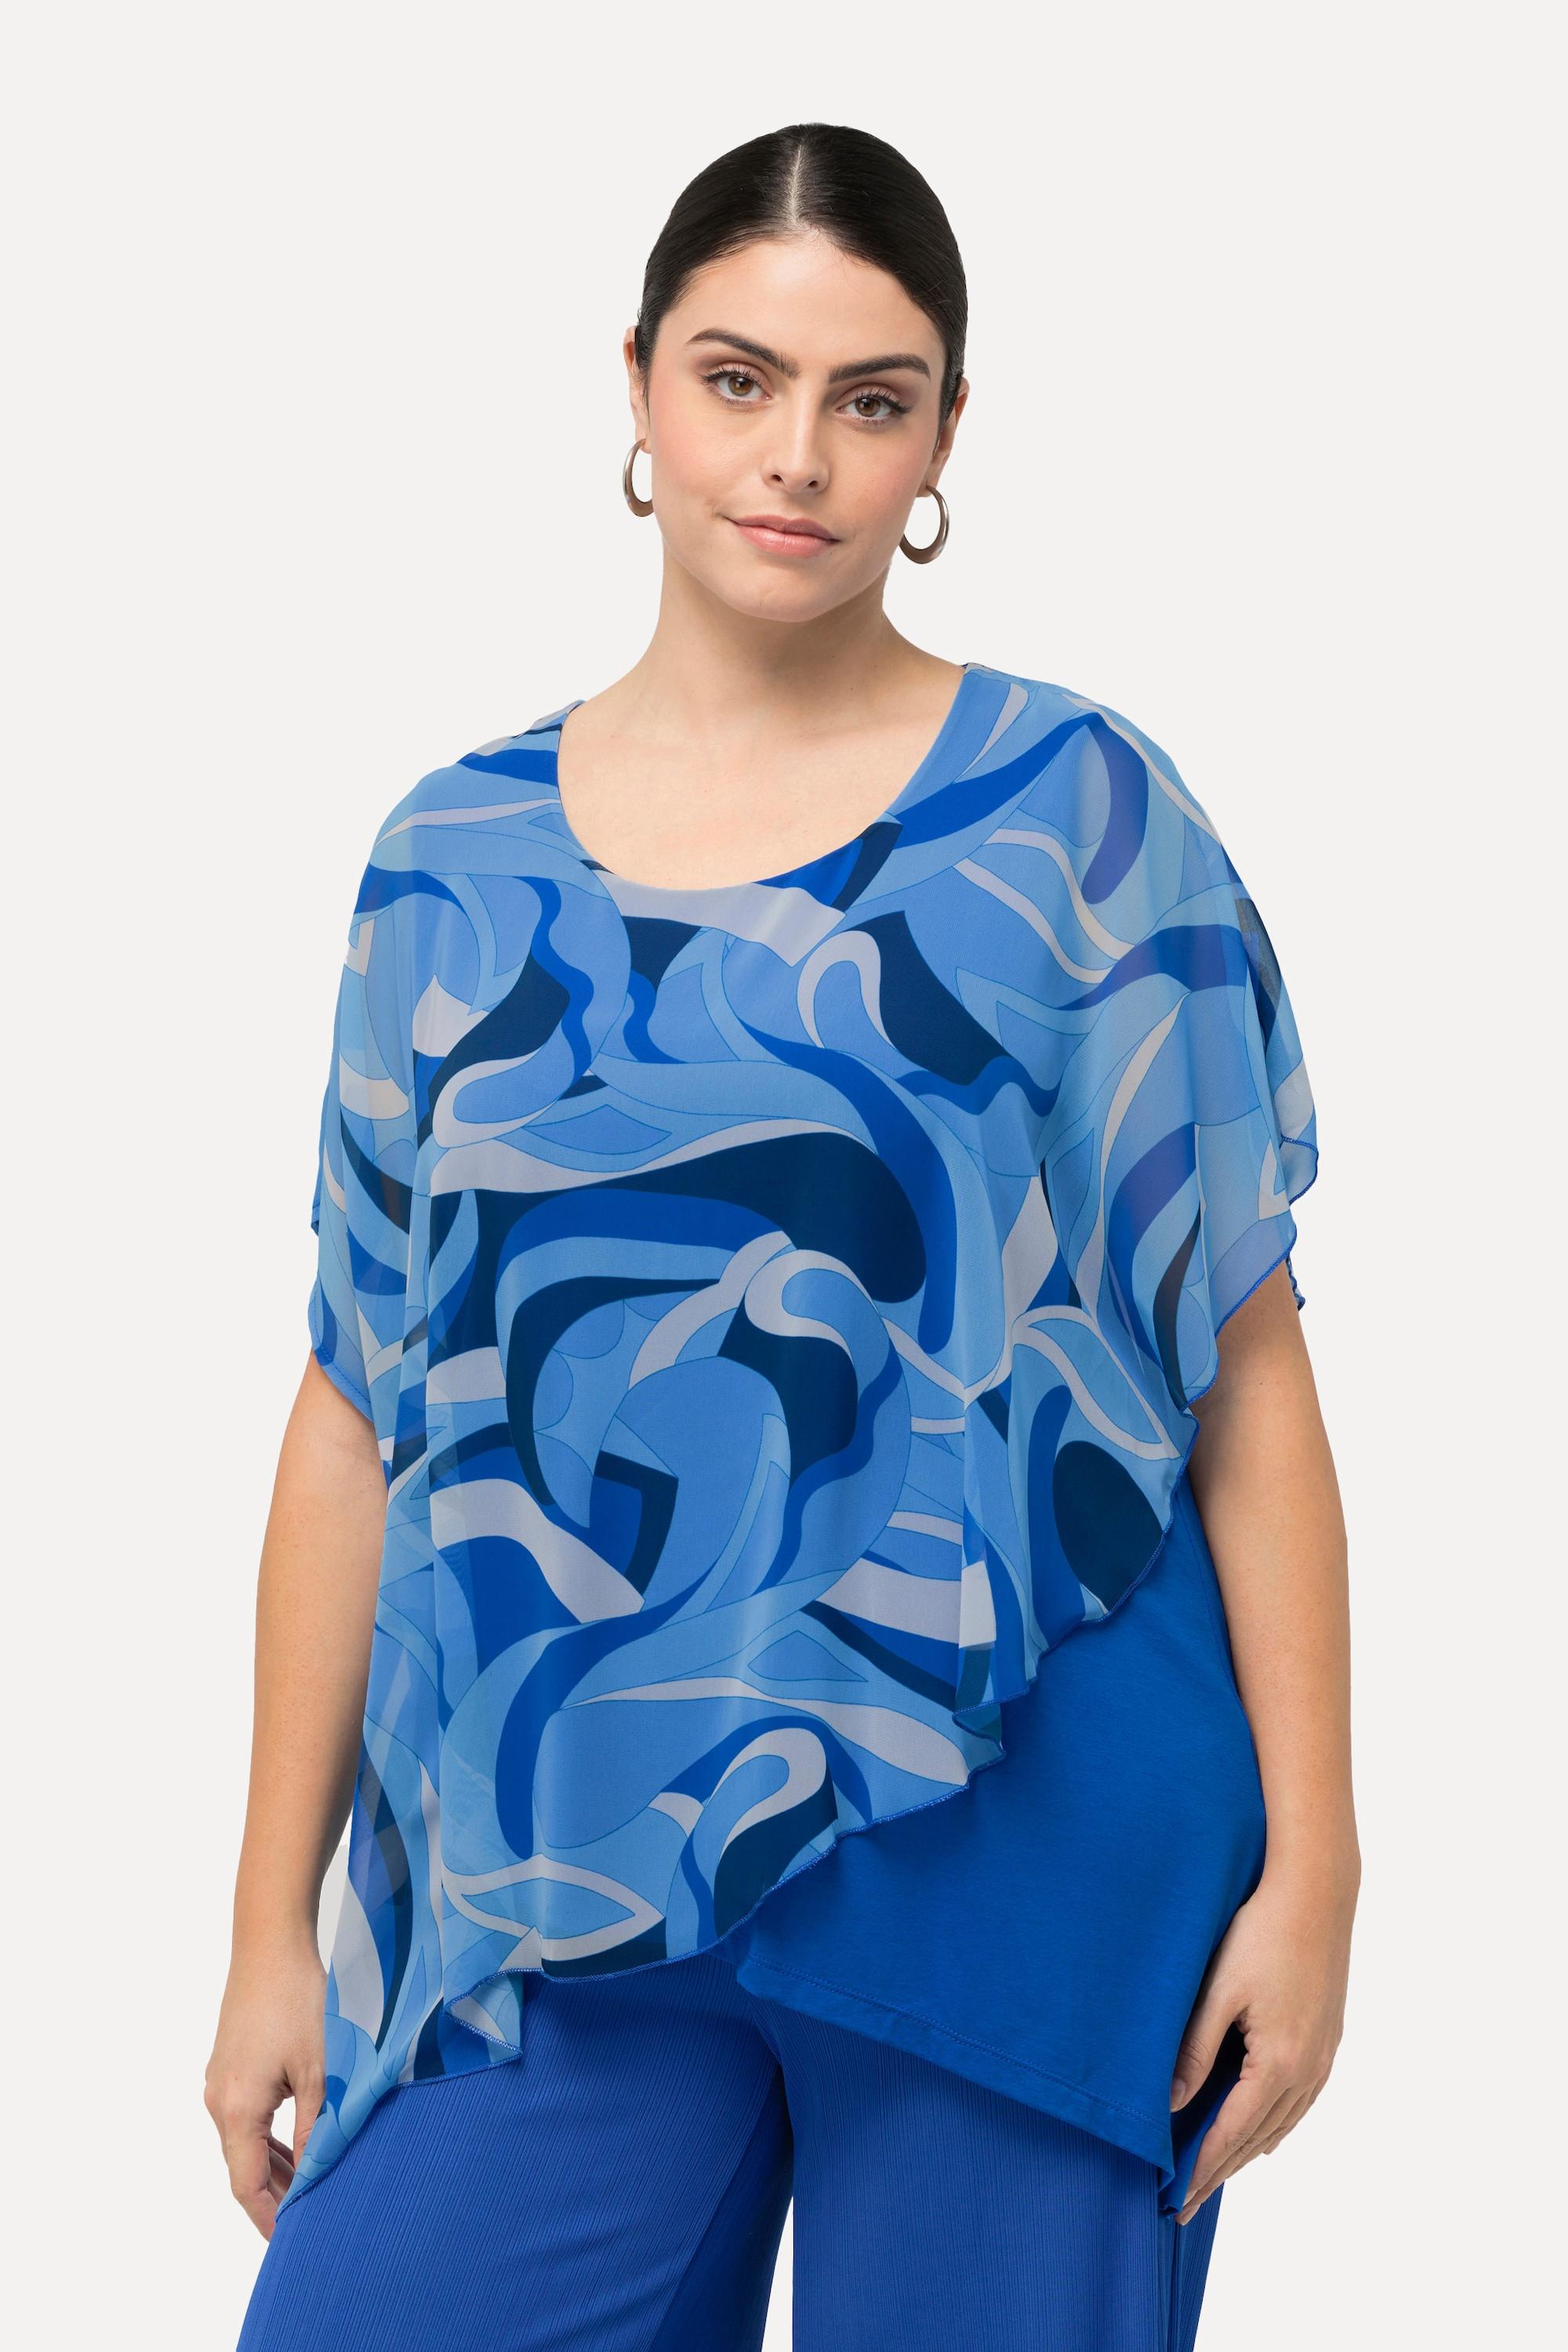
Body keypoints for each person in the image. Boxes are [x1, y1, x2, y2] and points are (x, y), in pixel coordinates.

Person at [208, 121, 1359, 2352]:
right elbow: (359, 1406)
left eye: (871, 398)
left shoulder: (1079, 822)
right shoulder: (450, 864)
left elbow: (1249, 1380)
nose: (799, 456)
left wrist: (1315, 1873)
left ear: (943, 438)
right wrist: (272, 1928)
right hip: (545, 1864)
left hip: (1022, 1840)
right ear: (639, 389)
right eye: (738, 379)